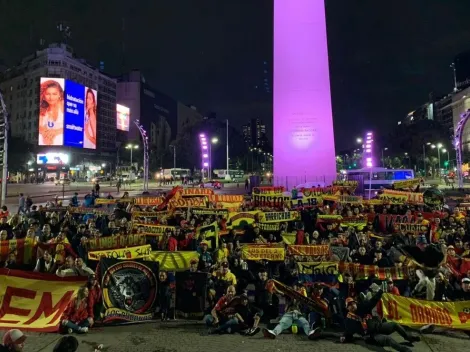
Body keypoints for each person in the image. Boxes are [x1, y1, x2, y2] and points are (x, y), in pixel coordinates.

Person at [340, 284, 419, 352]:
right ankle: (404, 350)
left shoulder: (363, 306)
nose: (352, 306)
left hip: (378, 327)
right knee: (387, 339)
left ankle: (409, 338)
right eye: (349, 305)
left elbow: (373, 301)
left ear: (356, 303)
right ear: (347, 309)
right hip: (372, 336)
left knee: (395, 325)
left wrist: (381, 291)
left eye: (353, 303)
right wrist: (344, 336)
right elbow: (348, 330)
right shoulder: (349, 319)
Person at [38, 79, 64, 145]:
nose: (51, 97)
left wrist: (56, 132)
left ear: (60, 94)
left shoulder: (65, 105)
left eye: (54, 94)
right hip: (48, 142)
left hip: (65, 142)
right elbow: (39, 126)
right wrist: (45, 134)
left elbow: (73, 126)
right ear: (43, 96)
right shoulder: (42, 108)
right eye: (47, 94)